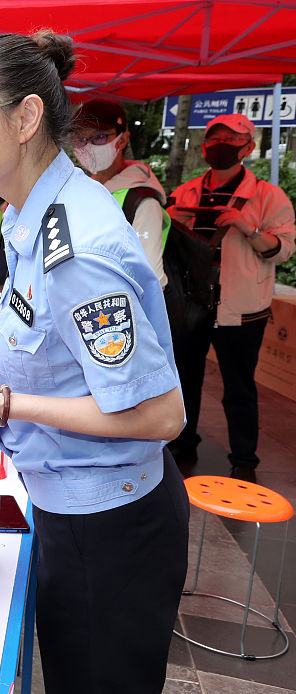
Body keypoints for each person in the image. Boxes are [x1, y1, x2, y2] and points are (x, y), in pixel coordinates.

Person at [0, 32, 188, 694]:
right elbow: (59, 337)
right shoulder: (28, 215)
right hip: (71, 506)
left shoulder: (77, 246)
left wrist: (4, 401)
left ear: (24, 119)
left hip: (110, 526)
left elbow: (162, 417)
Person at [167, 114, 295, 482]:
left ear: (249, 147)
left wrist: (247, 227)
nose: (220, 144)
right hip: (191, 300)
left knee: (239, 384)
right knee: (184, 377)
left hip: (240, 306)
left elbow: (283, 250)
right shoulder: (187, 191)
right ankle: (183, 442)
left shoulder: (268, 196)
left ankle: (244, 459)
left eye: (230, 138)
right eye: (214, 138)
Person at [73, 99, 167, 286]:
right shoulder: (79, 191)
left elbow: (150, 279)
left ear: (122, 140)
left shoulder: (142, 201)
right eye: (80, 139)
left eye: (99, 137)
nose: (88, 146)